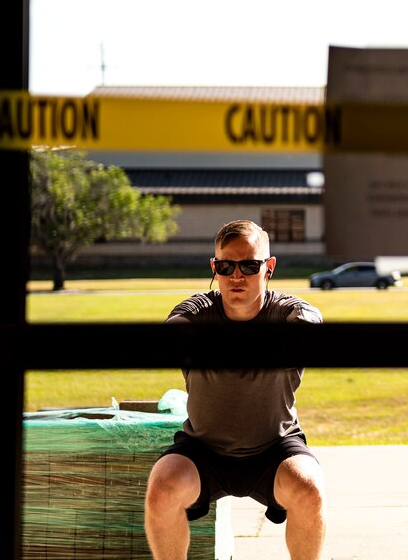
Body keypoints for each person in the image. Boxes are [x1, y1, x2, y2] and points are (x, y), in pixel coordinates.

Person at [144, 219, 326, 560]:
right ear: (214, 268)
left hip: (274, 447)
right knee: (162, 488)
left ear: (269, 268)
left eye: (249, 266)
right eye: (226, 267)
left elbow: (310, 322)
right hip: (204, 448)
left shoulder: (287, 311)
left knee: (309, 488)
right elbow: (173, 332)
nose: (236, 276)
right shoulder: (197, 310)